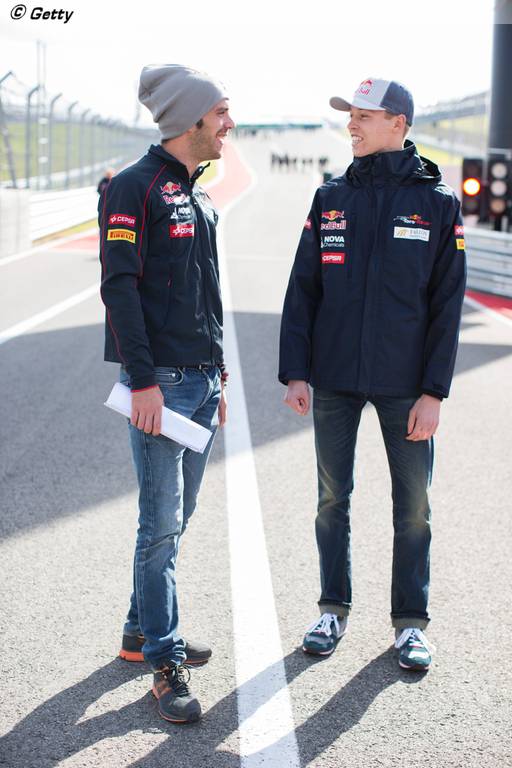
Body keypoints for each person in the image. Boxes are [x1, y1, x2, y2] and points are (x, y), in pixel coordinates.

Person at [279, 78, 466, 672]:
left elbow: (447, 306)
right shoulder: (330, 197)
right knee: (331, 498)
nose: (352, 125)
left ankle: (410, 623)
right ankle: (332, 609)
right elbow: (303, 289)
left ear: (398, 123)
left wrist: (434, 391)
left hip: (406, 386)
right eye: (350, 115)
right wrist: (296, 372)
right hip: (334, 377)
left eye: (364, 115)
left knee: (413, 508)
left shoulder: (438, 204)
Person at [99, 64, 234, 723]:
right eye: (221, 112)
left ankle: (139, 629)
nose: (229, 124)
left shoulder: (196, 193)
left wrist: (219, 375)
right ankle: (163, 659)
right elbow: (119, 288)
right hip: (162, 385)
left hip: (200, 382)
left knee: (176, 522)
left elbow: (206, 294)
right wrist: (144, 380)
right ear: (191, 119)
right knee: (159, 528)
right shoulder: (135, 186)